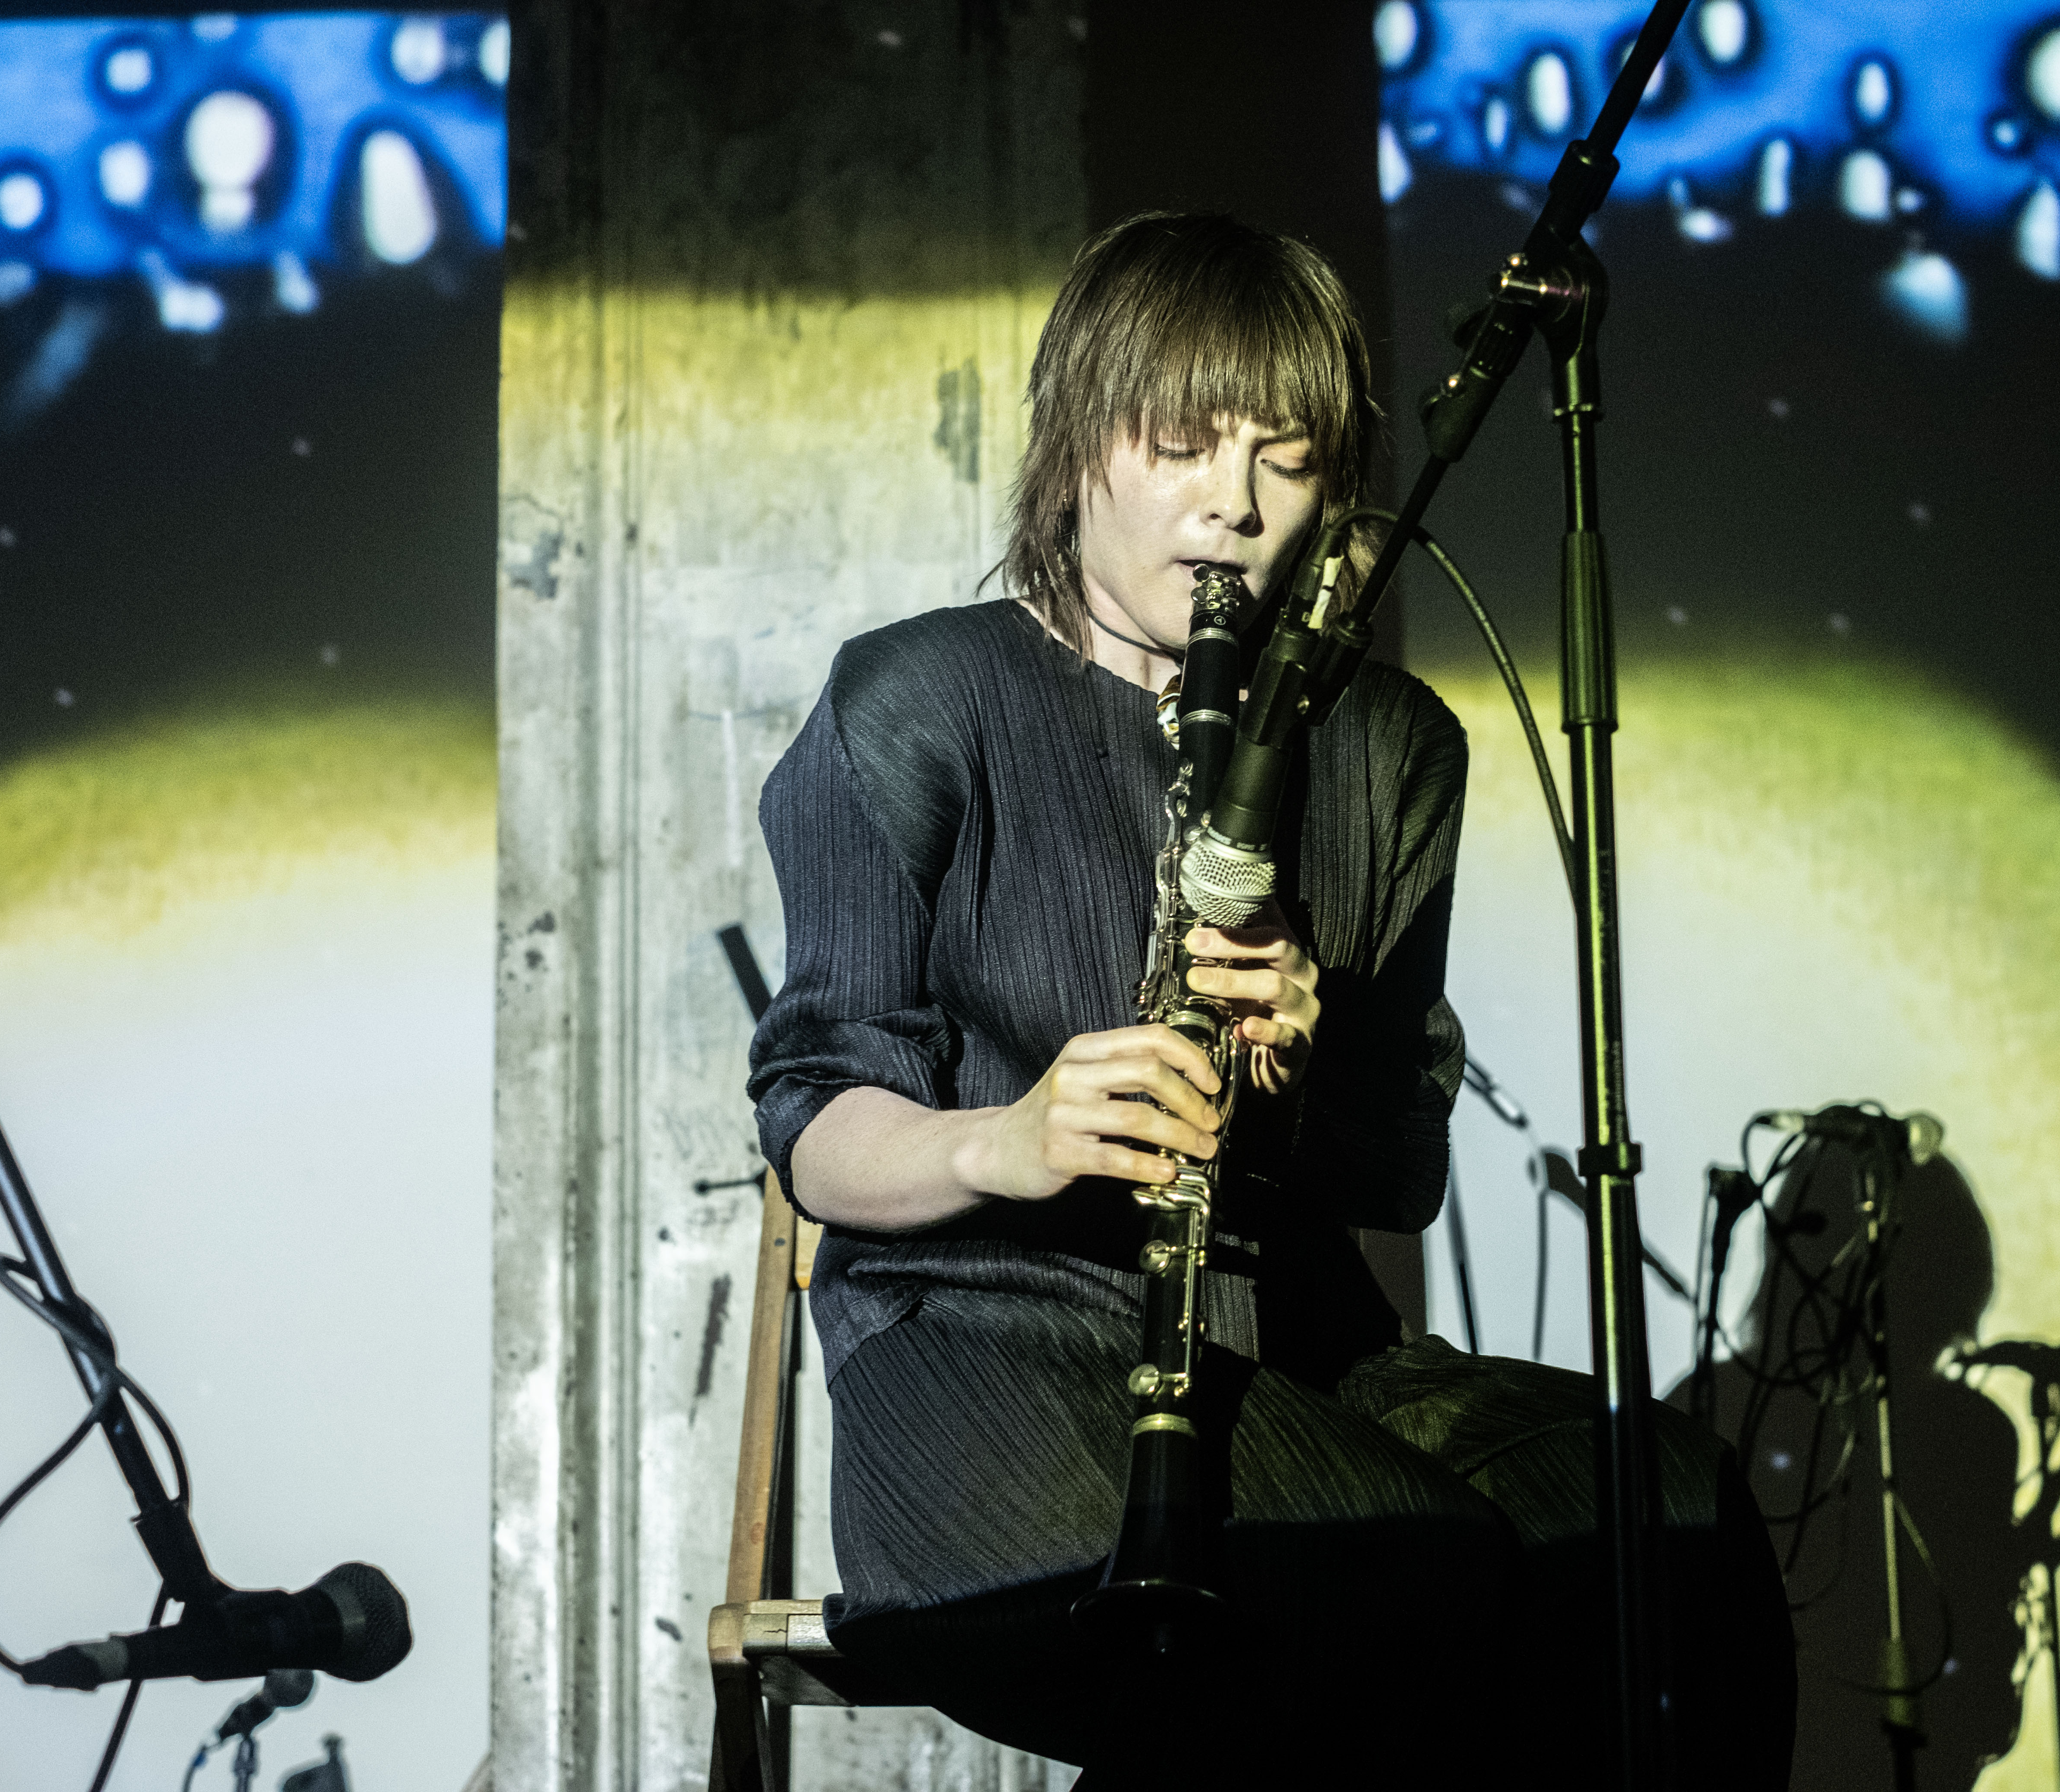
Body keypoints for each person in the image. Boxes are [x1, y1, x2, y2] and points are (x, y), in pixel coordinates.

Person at [749, 212, 1793, 1787]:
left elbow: (1398, 1169)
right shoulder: (916, 700)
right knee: (1395, 1577)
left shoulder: (1385, 747)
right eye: (1179, 448)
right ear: (1075, 441)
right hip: (978, 1338)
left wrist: (1309, 1054)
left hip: (1305, 1345)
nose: (1232, 508)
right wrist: (1009, 1141)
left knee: (1675, 1523)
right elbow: (817, 1119)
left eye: (1286, 460)